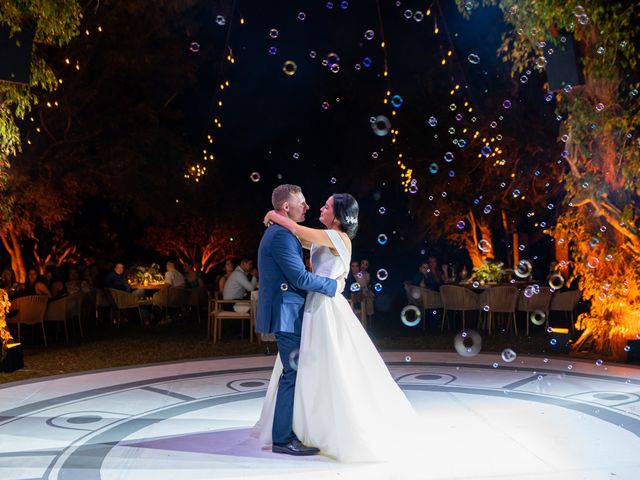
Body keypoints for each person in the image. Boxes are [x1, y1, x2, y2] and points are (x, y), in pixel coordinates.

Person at [255, 191, 418, 462]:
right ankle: (308, 425)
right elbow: (296, 238)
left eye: (327, 205)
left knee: (329, 364)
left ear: (339, 216)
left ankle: (329, 423)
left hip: (325, 306)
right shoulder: (323, 236)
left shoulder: (336, 237)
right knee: (309, 367)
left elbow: (295, 229)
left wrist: (273, 215)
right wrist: (279, 220)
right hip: (313, 305)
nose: (319, 206)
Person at [253, 184, 342, 457]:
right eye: (302, 202)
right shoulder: (280, 236)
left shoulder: (283, 231)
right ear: (287, 207)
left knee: (293, 372)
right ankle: (282, 438)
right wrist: (333, 287)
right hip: (287, 314)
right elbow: (300, 278)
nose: (307, 207)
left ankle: (289, 430)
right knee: (292, 374)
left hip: (290, 311)